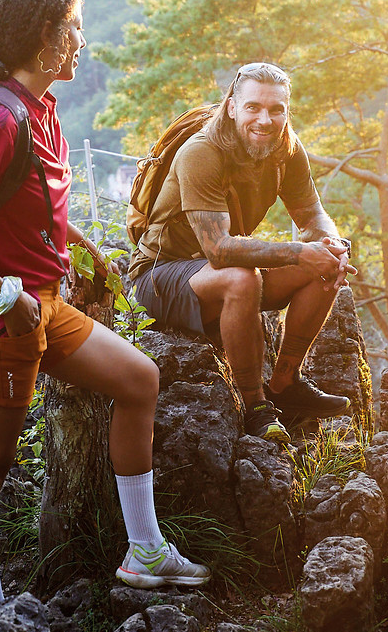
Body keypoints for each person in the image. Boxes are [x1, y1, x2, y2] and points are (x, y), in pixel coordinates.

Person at [0, 0, 209, 610]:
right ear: (43, 37)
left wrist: (74, 239)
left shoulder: (38, 109)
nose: (81, 38)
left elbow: (21, 197)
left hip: (41, 306)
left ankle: (144, 551)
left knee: (139, 379)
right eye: (72, 26)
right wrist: (4, 296)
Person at [128, 61, 357, 445]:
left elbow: (312, 213)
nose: (264, 119)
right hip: (161, 273)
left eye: (276, 109)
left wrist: (331, 242)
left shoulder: (286, 150)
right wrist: (300, 252)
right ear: (232, 106)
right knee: (240, 276)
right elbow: (219, 250)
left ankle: (286, 382)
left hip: (212, 271)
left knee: (326, 263)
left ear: (286, 111)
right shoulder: (202, 152)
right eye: (253, 107)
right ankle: (255, 405)